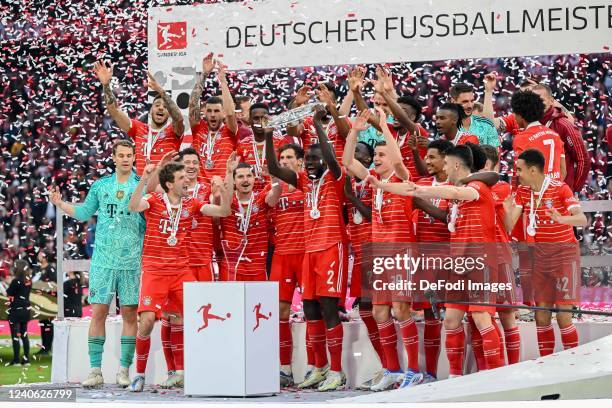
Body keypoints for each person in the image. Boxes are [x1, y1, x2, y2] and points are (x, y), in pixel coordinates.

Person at [370, 144, 504, 376]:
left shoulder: (477, 187)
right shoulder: (461, 188)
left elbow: (455, 193)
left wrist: (425, 192)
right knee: (451, 321)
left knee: (482, 318)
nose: (442, 167)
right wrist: (381, 185)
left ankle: (498, 377)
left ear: (455, 165)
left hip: (480, 262)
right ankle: (454, 377)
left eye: (445, 163)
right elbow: (413, 190)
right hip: (459, 264)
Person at [344, 109, 446, 390]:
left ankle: (414, 370)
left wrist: (385, 130)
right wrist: (355, 130)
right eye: (375, 155)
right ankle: (392, 369)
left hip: (402, 254)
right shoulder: (375, 184)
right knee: (379, 312)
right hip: (379, 255)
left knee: (401, 310)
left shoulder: (403, 180)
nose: (375, 159)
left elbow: (399, 159)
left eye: (380, 155)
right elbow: (347, 161)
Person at [127, 157, 234, 392]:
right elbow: (132, 206)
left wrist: (226, 186)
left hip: (181, 271)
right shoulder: (153, 200)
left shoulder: (192, 204)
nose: (187, 180)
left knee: (191, 319)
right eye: (182, 178)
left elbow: (224, 211)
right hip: (155, 271)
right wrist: (144, 178)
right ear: (168, 184)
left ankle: (188, 371)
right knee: (145, 322)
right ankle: (140, 374)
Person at [49, 140, 146, 388]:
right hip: (103, 261)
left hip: (132, 261)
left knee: (129, 315)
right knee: (99, 313)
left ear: (134, 158)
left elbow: (150, 222)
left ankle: (124, 369)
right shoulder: (101, 186)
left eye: (129, 155)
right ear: (113, 158)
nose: (125, 159)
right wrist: (60, 204)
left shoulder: (142, 187)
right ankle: (95, 371)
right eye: (121, 155)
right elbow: (83, 213)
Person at [267, 106, 348, 391]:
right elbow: (275, 168)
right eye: (309, 160)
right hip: (309, 251)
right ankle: (319, 366)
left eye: (315, 159)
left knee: (327, 308)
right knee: (311, 309)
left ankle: (337, 371)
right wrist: (267, 137)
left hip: (331, 248)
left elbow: (328, 156)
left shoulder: (335, 179)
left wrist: (317, 125)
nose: (312, 163)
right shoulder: (302, 181)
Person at [504, 149, 586, 357]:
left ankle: (573, 363)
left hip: (564, 256)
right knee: (541, 316)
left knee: (563, 316)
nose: (517, 174)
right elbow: (508, 225)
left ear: (532, 170)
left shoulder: (560, 189)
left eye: (520, 170)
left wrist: (562, 219)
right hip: (539, 258)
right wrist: (506, 210)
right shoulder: (523, 192)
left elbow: (582, 219)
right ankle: (546, 364)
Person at [411, 139, 454, 382]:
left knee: (451, 317)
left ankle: (457, 372)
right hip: (425, 260)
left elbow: (451, 221)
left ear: (446, 158)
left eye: (432, 157)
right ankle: (430, 374)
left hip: (447, 259)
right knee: (430, 317)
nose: (426, 161)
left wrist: (423, 205)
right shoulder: (423, 183)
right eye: (426, 157)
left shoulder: (455, 186)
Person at [93, 61, 183, 175]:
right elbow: (114, 111)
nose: (161, 108)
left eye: (165, 107)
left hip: (165, 189)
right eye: (157, 105)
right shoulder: (139, 128)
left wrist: (161, 91)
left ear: (169, 113)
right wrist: (106, 85)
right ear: (150, 111)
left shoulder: (173, 131)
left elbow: (179, 118)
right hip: (141, 188)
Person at [268, 143, 306, 387]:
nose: (283, 161)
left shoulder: (308, 186)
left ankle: (317, 367)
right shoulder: (275, 187)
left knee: (314, 311)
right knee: (280, 313)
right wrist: (275, 182)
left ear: (300, 162)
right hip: (282, 255)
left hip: (306, 254)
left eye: (289, 157)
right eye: (281, 157)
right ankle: (284, 369)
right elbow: (270, 203)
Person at [348, 66, 429, 180]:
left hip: (416, 187)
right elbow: (368, 115)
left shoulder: (417, 131)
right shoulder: (392, 132)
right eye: (395, 110)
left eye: (401, 111)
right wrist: (356, 92)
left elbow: (403, 119)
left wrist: (384, 93)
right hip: (397, 187)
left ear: (413, 117)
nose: (395, 114)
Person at [481, 145, 521, 366]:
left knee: (506, 315)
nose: (483, 168)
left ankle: (512, 368)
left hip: (500, 257)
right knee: (482, 316)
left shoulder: (503, 188)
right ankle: (491, 369)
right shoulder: (473, 186)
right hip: (478, 261)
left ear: (495, 165)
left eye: (487, 164)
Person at [218, 161, 281, 282]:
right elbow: (225, 194)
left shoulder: (261, 199)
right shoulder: (228, 202)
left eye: (249, 176)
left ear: (254, 179)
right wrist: (229, 171)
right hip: (231, 268)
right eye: (240, 177)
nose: (245, 180)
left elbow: (276, 193)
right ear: (234, 181)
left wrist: (273, 176)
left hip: (257, 268)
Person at [188, 53, 239, 182]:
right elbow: (193, 104)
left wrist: (222, 81)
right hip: (200, 190)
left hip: (223, 186)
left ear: (222, 113)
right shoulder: (199, 129)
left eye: (216, 111)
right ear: (204, 112)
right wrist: (204, 75)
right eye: (209, 111)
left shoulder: (230, 130)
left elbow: (230, 113)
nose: (212, 114)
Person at [532, 84, 589, 193]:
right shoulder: (528, 124)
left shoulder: (564, 125)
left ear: (551, 101)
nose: (537, 105)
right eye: (534, 101)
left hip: (560, 195)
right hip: (536, 194)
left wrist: (573, 190)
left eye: (541, 100)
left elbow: (583, 160)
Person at [510, 91, 567, 188]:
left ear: (521, 116)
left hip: (533, 195)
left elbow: (520, 174)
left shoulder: (521, 138)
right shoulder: (555, 135)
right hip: (555, 193)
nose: (514, 117)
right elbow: (563, 171)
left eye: (514, 113)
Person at [288, 82, 350, 162]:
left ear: (335, 103)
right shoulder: (307, 122)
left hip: (337, 171)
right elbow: (292, 132)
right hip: (312, 171)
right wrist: (296, 106)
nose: (323, 104)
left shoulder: (341, 121)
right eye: (320, 101)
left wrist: (330, 105)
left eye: (327, 100)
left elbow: (346, 133)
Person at [237, 102, 292, 193]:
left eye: (263, 118)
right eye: (256, 118)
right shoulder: (243, 145)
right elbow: (239, 173)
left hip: (275, 193)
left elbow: (288, 172)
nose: (260, 122)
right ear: (250, 120)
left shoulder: (281, 142)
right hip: (252, 196)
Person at [449, 83, 500, 147]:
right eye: (465, 101)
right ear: (453, 102)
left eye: (472, 101)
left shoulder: (487, 125)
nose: (470, 105)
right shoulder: (446, 129)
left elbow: (494, 155)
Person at [7, 259, 32, 366]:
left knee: (15, 335)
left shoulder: (15, 281)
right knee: (24, 335)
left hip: (16, 310)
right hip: (26, 309)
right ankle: (26, 359)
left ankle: (16, 360)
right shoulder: (28, 280)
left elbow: (9, 293)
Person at [34, 251, 56, 355]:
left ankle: (48, 347)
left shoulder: (51, 269)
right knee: (42, 324)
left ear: (45, 257)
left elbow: (54, 284)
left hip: (49, 301)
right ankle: (44, 347)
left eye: (40, 255)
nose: (38, 256)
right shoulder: (37, 269)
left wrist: (43, 285)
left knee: (48, 325)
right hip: (39, 301)